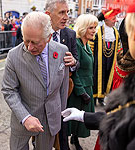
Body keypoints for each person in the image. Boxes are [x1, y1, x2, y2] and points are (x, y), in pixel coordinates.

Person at [62, 4, 135, 150]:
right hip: (81, 88)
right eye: (91, 28)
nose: (94, 30)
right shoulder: (80, 43)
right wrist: (83, 111)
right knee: (71, 125)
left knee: (78, 127)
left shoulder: (90, 43)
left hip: (89, 85)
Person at [1, 12, 69, 150]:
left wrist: (60, 113)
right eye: (26, 41)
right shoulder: (14, 56)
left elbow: (64, 86)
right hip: (22, 118)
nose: (29, 47)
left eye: (35, 43)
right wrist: (25, 117)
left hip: (50, 119)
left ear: (49, 37)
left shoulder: (62, 51)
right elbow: (9, 90)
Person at [45, 1, 79, 149]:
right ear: (48, 14)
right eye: (61, 13)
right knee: (42, 133)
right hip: (43, 94)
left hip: (63, 93)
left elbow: (78, 63)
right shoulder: (38, 31)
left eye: (67, 12)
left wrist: (73, 63)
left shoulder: (70, 34)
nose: (66, 17)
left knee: (62, 131)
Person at [65, 14, 98, 150]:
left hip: (87, 87)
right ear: (83, 28)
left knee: (81, 119)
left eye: (95, 27)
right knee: (71, 120)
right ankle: (65, 142)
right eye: (91, 27)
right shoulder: (77, 43)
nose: (94, 30)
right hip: (78, 90)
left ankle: (75, 138)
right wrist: (81, 91)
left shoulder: (87, 45)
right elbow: (74, 72)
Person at [89, 8, 121, 106]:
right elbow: (91, 47)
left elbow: (118, 47)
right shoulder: (97, 31)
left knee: (107, 78)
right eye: (113, 18)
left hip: (110, 60)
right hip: (98, 61)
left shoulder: (115, 32)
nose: (115, 20)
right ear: (106, 19)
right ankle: (93, 99)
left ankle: (101, 99)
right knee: (96, 79)